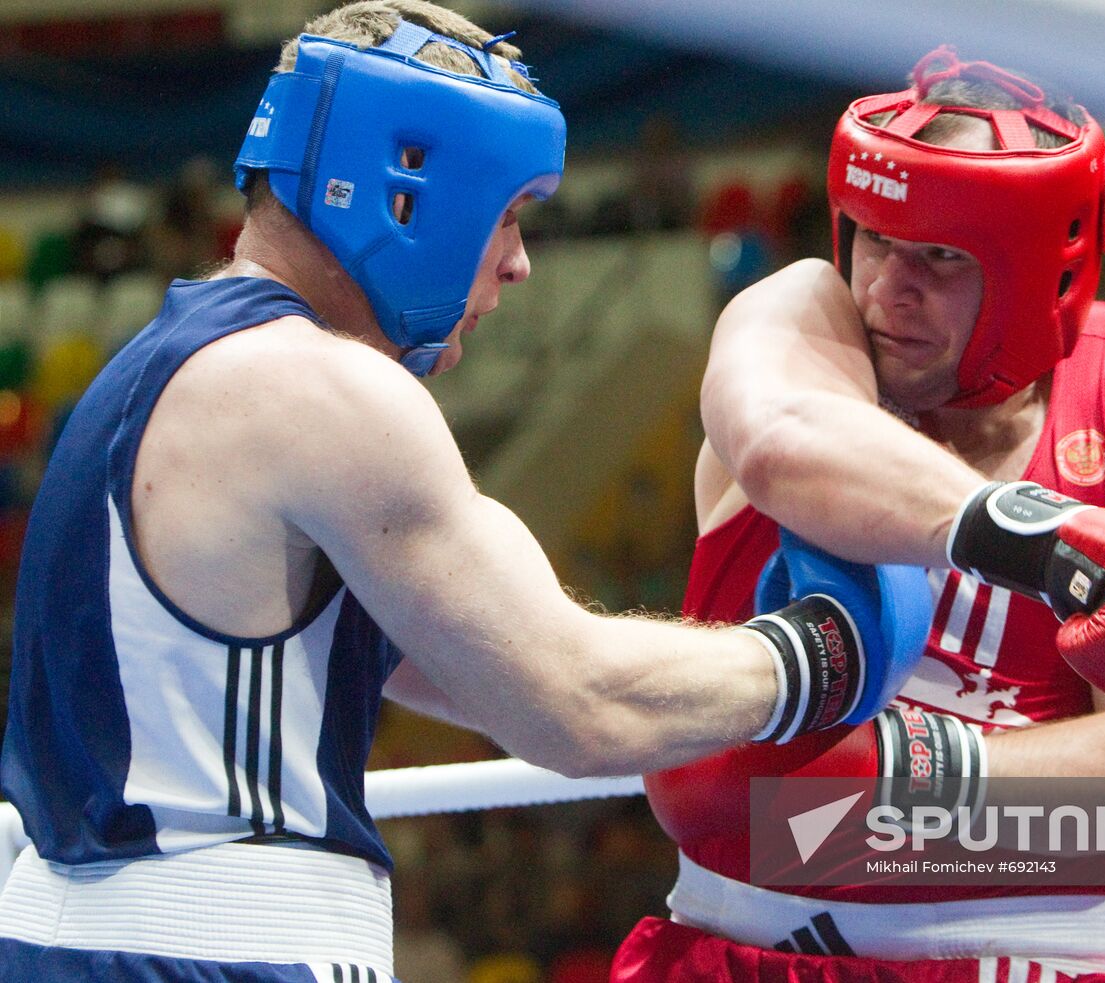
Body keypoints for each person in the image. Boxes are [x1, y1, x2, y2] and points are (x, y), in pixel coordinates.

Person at [0, 4, 937, 981]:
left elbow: (483, 671)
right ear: (408, 197)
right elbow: (571, 700)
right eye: (508, 212)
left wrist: (726, 693)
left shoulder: (161, 364)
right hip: (220, 945)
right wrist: (819, 653)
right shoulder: (324, 389)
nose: (520, 261)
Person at [616, 47, 1105, 982]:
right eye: (875, 238)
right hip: (735, 952)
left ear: (1043, 266)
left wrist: (853, 796)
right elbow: (778, 445)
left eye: (940, 257)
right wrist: (1046, 541)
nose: (886, 289)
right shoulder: (801, 319)